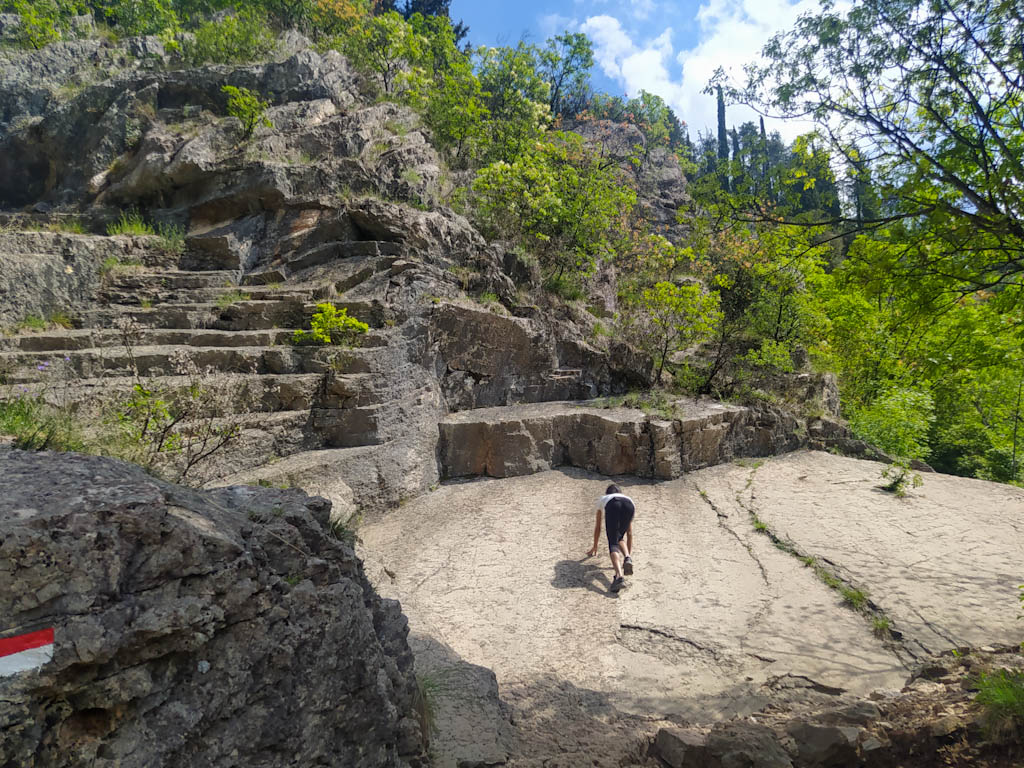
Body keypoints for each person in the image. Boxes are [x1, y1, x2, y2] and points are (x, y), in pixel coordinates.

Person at [586, 484, 635, 593]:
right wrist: (628, 557)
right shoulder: (628, 499)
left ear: (607, 493)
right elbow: (630, 533)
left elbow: (598, 527)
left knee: (613, 543)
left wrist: (595, 546)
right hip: (630, 506)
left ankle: (619, 577)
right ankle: (627, 557)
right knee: (619, 537)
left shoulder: (604, 499)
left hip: (613, 506)